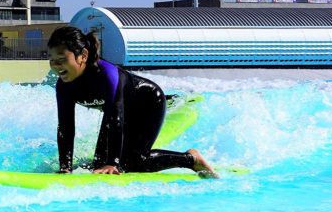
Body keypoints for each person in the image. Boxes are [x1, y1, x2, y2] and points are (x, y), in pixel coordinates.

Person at [47, 25, 218, 177]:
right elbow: (66, 127)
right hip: (116, 113)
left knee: (133, 163)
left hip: (148, 103)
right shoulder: (64, 86)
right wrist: (65, 167)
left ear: (83, 55)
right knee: (97, 165)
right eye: (52, 61)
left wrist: (112, 164)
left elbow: (116, 119)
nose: (56, 66)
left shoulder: (106, 74)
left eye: (61, 59)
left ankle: (190, 159)